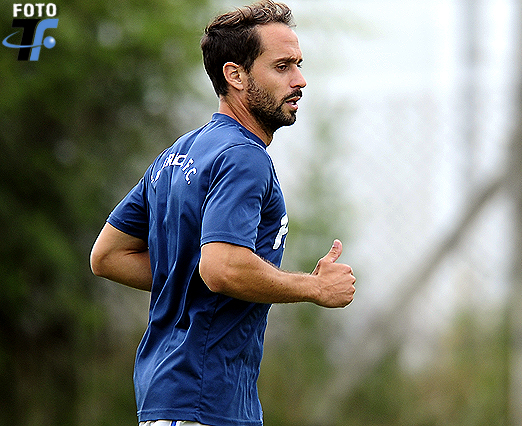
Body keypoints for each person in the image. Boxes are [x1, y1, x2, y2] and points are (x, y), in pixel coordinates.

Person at [89, 1, 356, 425]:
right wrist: (314, 287)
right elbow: (222, 268)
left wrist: (186, 273)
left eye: (298, 65)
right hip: (203, 401)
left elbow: (108, 256)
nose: (300, 80)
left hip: (173, 398)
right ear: (235, 75)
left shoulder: (178, 154)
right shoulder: (244, 158)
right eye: (282, 66)